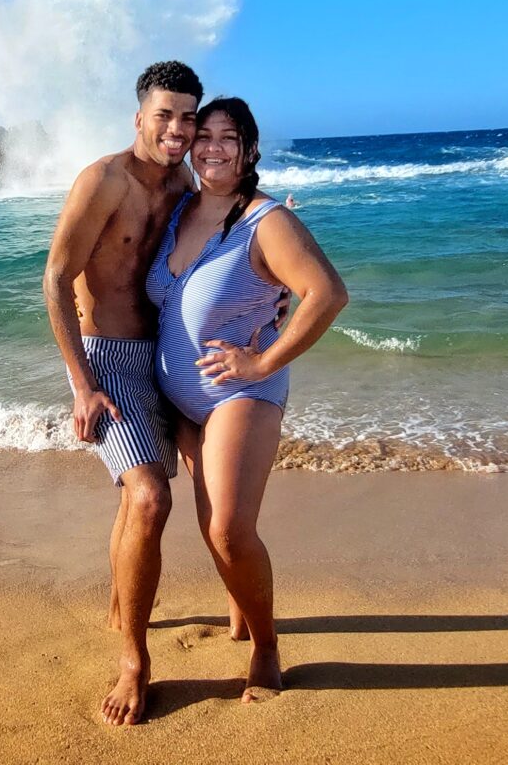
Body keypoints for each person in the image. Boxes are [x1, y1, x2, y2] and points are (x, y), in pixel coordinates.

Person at [146, 96, 348, 703]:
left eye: (227, 137)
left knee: (232, 530)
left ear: (249, 149)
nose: (210, 146)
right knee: (213, 527)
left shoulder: (268, 221)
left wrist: (261, 359)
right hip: (183, 401)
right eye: (201, 134)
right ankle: (239, 609)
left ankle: (266, 645)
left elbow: (327, 293)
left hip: (242, 392)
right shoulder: (178, 210)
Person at [43, 60, 202, 727]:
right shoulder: (103, 181)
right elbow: (55, 279)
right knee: (150, 494)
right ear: (139, 117)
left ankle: (137, 600)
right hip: (109, 360)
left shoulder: (187, 180)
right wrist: (81, 386)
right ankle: (134, 660)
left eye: (189, 117)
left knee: (212, 479)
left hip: (170, 355)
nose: (177, 128)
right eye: (165, 114)